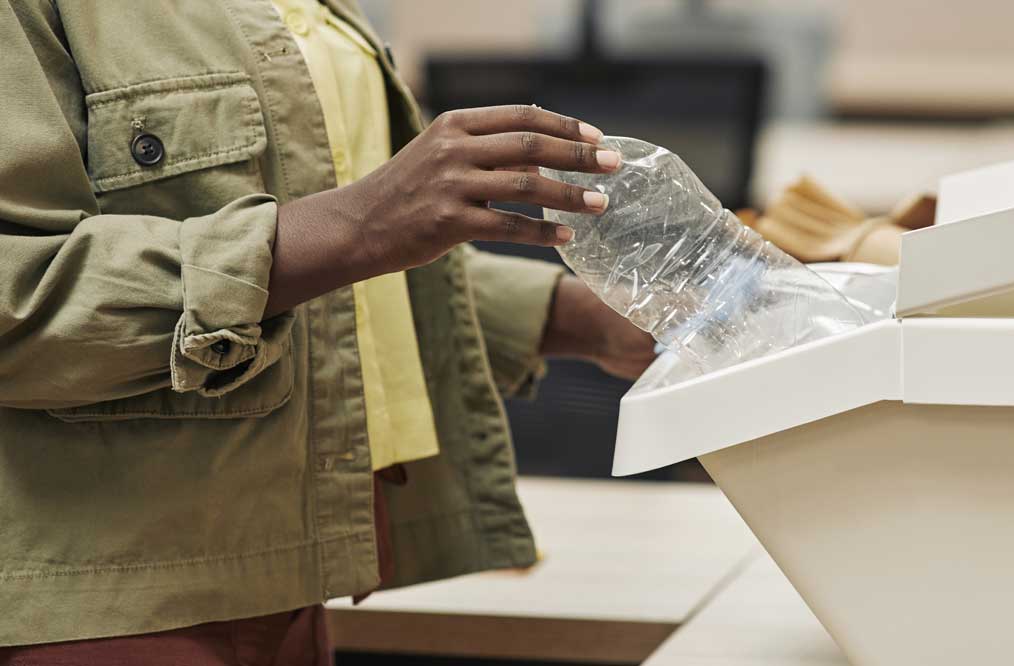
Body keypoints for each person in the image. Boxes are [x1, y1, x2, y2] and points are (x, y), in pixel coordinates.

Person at [0, 0, 656, 662]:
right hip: (103, 599)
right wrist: (357, 224)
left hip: (289, 571)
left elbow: (332, 277)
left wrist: (579, 319)